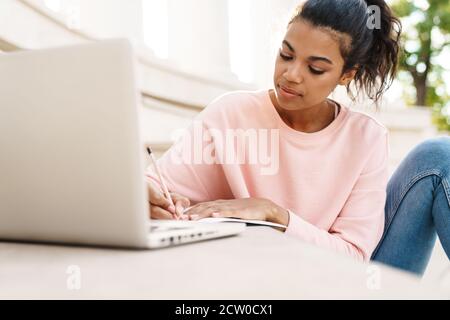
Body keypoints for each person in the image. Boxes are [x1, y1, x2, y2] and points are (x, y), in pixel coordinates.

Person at [146, 0, 450, 276]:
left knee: (438, 156)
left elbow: (353, 256)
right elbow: (158, 188)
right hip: (255, 281)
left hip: (343, 281)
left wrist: (273, 214)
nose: (291, 74)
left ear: (347, 75)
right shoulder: (230, 114)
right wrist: (149, 199)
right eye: (285, 55)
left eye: (315, 68)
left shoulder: (366, 138)